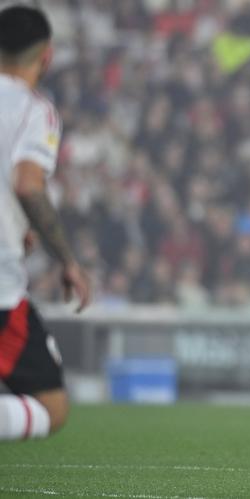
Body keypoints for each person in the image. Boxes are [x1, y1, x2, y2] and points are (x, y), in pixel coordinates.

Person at [0, 5, 91, 442]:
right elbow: (28, 185)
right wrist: (68, 260)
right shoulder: (33, 110)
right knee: (51, 408)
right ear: (46, 55)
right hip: (1, 287)